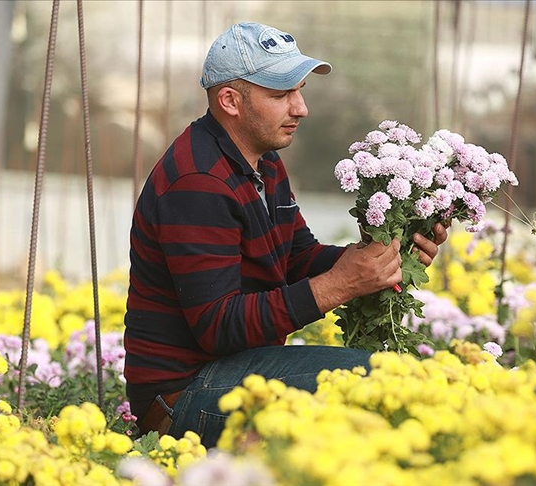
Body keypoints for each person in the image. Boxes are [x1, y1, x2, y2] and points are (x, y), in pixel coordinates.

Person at [124, 21, 448, 448]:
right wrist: (341, 283)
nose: (300, 108)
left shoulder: (260, 160)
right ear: (230, 101)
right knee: (374, 381)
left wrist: (383, 258)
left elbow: (297, 257)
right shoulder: (198, 181)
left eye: (299, 91)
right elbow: (218, 327)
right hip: (181, 397)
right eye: (280, 95)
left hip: (229, 371)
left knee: (392, 377)